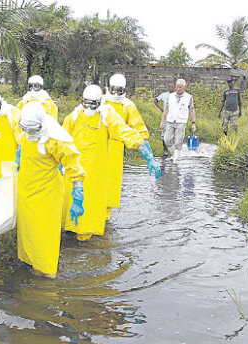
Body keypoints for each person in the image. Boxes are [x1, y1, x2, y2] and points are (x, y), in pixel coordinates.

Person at [62, 84, 161, 242]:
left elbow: (126, 133)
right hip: (74, 168)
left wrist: (147, 155)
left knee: (89, 208)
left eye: (92, 104)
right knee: (68, 204)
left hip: (95, 171)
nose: (89, 107)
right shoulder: (74, 115)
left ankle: (85, 243)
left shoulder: (108, 116)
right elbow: (61, 139)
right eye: (86, 103)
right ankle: (68, 233)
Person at [17, 102, 85, 278]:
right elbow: (23, 146)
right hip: (26, 191)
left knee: (44, 234)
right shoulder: (26, 133)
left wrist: (78, 196)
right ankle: (31, 262)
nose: (29, 134)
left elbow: (74, 166)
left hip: (47, 195)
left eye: (33, 130)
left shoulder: (55, 141)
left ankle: (46, 271)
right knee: (28, 230)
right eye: (27, 130)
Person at [103, 73, 152, 220]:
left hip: (116, 150)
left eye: (119, 90)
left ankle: (105, 219)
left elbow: (139, 129)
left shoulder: (128, 106)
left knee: (111, 184)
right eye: (113, 89)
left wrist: (148, 155)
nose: (116, 93)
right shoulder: (100, 102)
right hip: (96, 147)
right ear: (108, 88)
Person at [161, 78, 197, 162]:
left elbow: (192, 110)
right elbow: (166, 109)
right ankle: (174, 155)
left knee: (178, 142)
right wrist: (162, 121)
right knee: (167, 140)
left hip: (181, 122)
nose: (178, 89)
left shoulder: (189, 97)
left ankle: (175, 161)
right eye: (177, 87)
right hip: (170, 121)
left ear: (184, 87)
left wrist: (193, 123)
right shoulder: (170, 96)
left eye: (180, 87)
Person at [154, 82, 175, 156]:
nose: (170, 88)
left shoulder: (177, 95)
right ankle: (165, 150)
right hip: (166, 117)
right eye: (169, 87)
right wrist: (161, 108)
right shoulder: (164, 95)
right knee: (164, 133)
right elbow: (155, 100)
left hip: (174, 117)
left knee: (174, 134)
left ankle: (173, 150)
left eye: (172, 87)